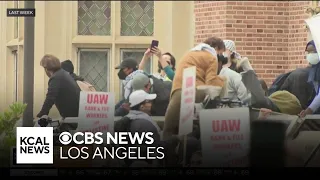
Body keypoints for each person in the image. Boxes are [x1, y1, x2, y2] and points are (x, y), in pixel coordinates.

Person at [163, 37, 226, 139]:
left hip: (177, 90)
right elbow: (210, 82)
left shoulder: (190, 53)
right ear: (216, 48)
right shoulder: (211, 57)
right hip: (193, 91)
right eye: (220, 53)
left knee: (169, 128)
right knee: (188, 133)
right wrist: (222, 81)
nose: (220, 56)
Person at [238, 58, 302, 115]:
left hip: (282, 104)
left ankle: (247, 70)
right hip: (282, 103)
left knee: (259, 102)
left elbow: (260, 100)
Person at [114, 90, 161, 166]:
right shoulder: (147, 124)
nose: (151, 104)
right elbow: (158, 148)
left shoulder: (124, 120)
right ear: (141, 106)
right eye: (148, 102)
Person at [280, 45, 314, 110]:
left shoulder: (294, 73)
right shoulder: (314, 75)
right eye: (309, 52)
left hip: (293, 113)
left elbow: (283, 94)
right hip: (311, 114)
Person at [300, 40, 320, 117]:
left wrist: (309, 110)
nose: (310, 55)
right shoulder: (314, 69)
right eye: (308, 52)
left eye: (313, 52)